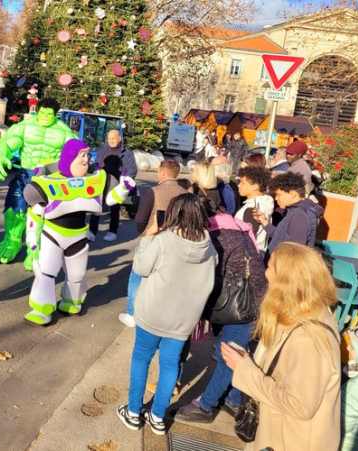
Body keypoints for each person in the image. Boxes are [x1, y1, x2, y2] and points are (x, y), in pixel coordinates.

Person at [223, 242, 340, 451]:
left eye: (270, 267)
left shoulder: (309, 338)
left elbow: (300, 405)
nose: (265, 273)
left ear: (285, 281)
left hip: (290, 442)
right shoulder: (301, 313)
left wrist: (245, 370)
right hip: (279, 434)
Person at [118, 194, 217, 436]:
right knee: (170, 365)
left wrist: (149, 236)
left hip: (153, 313)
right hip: (184, 319)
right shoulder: (209, 245)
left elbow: (140, 267)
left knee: (141, 358)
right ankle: (158, 417)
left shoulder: (163, 240)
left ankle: (133, 412)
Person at [175, 196, 267, 423]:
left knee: (229, 354)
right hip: (254, 298)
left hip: (247, 305)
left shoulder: (219, 236)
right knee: (229, 349)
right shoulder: (234, 225)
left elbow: (205, 274)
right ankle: (234, 401)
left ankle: (205, 406)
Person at [23, 140, 135, 325]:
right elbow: (35, 213)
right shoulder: (45, 183)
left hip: (78, 235)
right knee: (46, 273)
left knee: (76, 275)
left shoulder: (98, 179)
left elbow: (110, 199)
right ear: (70, 157)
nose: (86, 159)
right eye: (81, 155)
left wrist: (123, 189)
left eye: (87, 155)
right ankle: (41, 310)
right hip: (53, 234)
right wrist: (32, 239)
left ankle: (72, 301)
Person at [0, 98, 77, 268]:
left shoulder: (64, 132)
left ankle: (35, 251)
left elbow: (75, 155)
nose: (45, 117)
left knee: (42, 216)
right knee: (13, 210)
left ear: (55, 115)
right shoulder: (26, 126)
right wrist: (0, 155)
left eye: (49, 114)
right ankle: (11, 243)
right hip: (25, 174)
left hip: (49, 178)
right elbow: (9, 142)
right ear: (38, 110)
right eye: (42, 113)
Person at [119, 159, 186, 328]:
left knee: (138, 275)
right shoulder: (185, 193)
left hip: (152, 238)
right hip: (175, 242)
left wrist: (144, 232)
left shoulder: (154, 191)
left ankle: (132, 313)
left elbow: (141, 217)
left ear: (162, 172)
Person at [253, 172, 322, 261]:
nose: (276, 198)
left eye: (279, 194)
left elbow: (294, 252)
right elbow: (280, 235)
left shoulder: (298, 215)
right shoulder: (295, 211)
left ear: (293, 194)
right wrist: (265, 221)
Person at [88, 129, 138, 243]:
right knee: (96, 206)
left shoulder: (127, 152)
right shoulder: (103, 148)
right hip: (101, 182)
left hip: (116, 183)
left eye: (113, 138)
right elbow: (97, 163)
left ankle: (112, 231)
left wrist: (126, 180)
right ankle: (92, 231)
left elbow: (132, 169)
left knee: (114, 209)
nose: (111, 141)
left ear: (119, 138)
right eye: (109, 138)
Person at [235, 166, 275, 254]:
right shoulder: (263, 203)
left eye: (242, 183)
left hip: (250, 256)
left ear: (254, 187)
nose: (238, 185)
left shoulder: (252, 209)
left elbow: (250, 238)